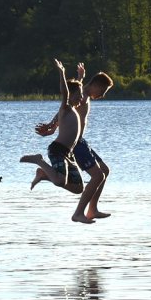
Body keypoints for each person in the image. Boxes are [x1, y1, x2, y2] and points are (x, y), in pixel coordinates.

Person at [31, 63, 114, 223]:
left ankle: (92, 209)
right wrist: (51, 126)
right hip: (75, 144)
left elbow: (75, 90)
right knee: (98, 176)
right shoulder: (82, 94)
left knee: (104, 170)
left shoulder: (83, 91)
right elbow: (65, 107)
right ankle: (79, 213)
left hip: (81, 141)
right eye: (103, 91)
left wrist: (80, 77)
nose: (102, 95)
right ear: (96, 85)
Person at [20, 59, 86, 219]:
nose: (81, 98)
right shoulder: (66, 107)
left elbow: (73, 90)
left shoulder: (70, 110)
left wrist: (80, 79)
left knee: (78, 188)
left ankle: (43, 174)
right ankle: (38, 161)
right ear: (71, 97)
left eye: (82, 95)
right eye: (79, 96)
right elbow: (66, 92)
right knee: (60, 181)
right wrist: (62, 72)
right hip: (57, 150)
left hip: (67, 154)